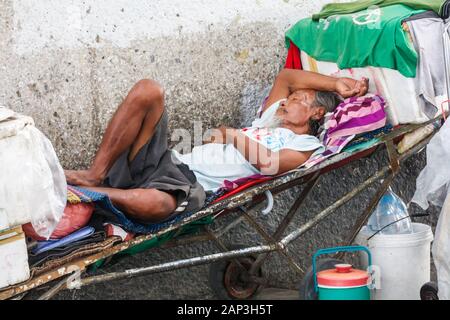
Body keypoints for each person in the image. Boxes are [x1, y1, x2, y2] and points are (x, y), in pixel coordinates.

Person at [65, 69, 368, 223]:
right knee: (149, 90)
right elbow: (286, 76)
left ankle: (92, 194)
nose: (288, 101)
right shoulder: (267, 120)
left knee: (160, 204)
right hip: (171, 161)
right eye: (290, 97)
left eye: (299, 99)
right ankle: (95, 175)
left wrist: (232, 134)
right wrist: (335, 83)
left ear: (316, 113)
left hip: (192, 186)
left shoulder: (306, 144)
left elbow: (269, 165)